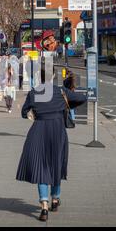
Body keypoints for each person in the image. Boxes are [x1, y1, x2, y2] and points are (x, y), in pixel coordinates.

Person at [16, 65, 87, 222]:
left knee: (41, 166)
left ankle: (44, 206)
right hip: (57, 130)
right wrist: (67, 103)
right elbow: (83, 98)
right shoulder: (60, 91)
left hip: (39, 130)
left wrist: (33, 112)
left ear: (40, 77)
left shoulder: (34, 92)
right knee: (56, 165)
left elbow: (23, 113)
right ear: (53, 76)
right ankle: (55, 199)